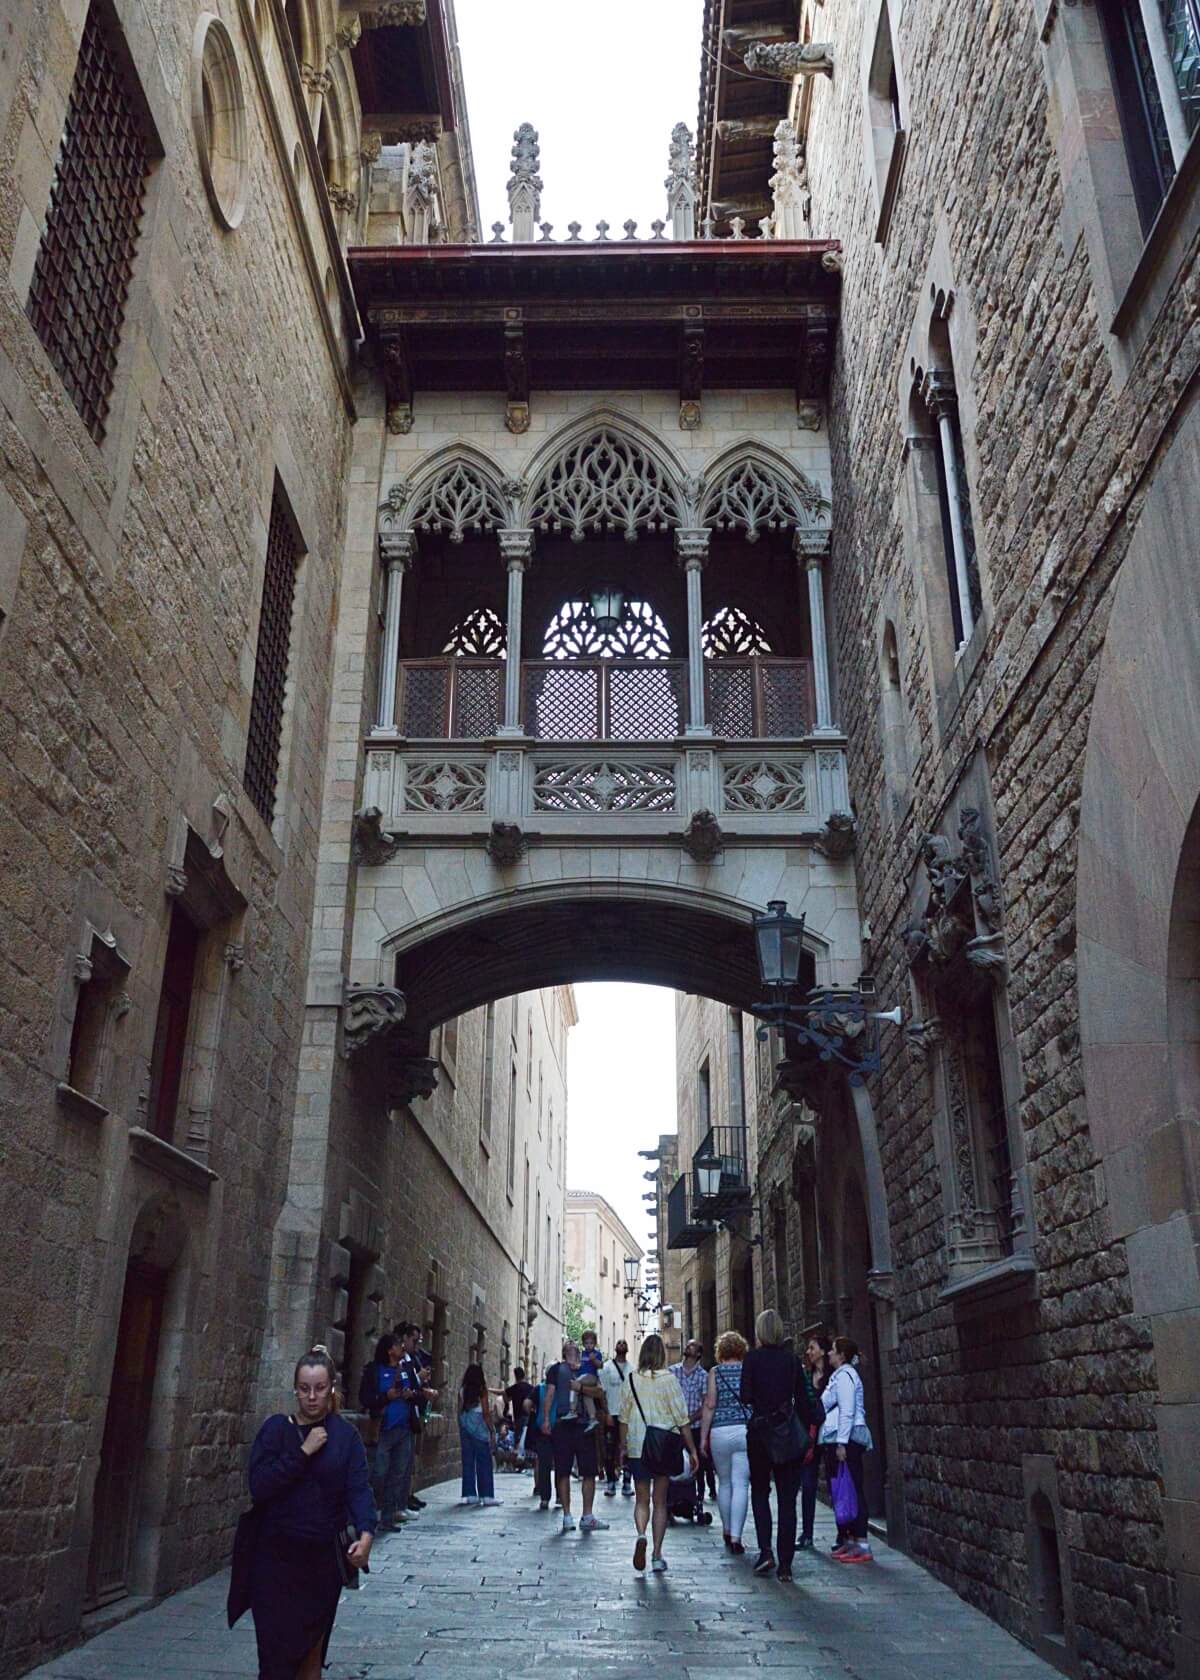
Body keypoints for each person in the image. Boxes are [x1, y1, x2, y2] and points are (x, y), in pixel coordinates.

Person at [247, 1346, 375, 1680]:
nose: (312, 1397)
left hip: (320, 1564)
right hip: (274, 1561)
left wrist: (366, 1535)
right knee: (274, 1657)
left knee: (311, 1656)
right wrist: (302, 1452)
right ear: (295, 1389)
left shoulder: (345, 1437)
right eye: (305, 1389)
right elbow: (260, 1486)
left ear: (331, 1388)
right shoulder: (275, 1431)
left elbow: (358, 1489)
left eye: (319, 1388)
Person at [740, 1308, 822, 1582]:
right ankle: (786, 1564)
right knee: (788, 1500)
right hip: (787, 1435)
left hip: (761, 1434)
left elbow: (746, 1395)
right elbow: (804, 1399)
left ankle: (765, 1552)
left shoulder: (751, 1359)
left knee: (760, 1493)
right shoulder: (792, 1361)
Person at [619, 1333, 698, 1575]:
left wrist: (622, 1446)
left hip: (637, 1445)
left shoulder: (631, 1378)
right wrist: (692, 1450)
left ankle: (641, 1534)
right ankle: (656, 1554)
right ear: (662, 1354)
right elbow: (682, 1417)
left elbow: (623, 1417)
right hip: (663, 1445)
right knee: (660, 1501)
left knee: (641, 1498)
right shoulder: (669, 1380)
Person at [540, 1340, 609, 1534]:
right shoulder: (555, 1369)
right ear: (564, 1352)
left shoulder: (588, 1368)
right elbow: (550, 1394)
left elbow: (599, 1391)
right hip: (563, 1424)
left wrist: (581, 1389)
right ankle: (567, 1515)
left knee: (589, 1472)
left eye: (573, 1344)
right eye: (568, 1344)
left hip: (585, 1424)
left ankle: (587, 1516)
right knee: (563, 1470)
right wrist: (546, 1419)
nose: (571, 1344)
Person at [820, 1335, 873, 1561]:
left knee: (853, 1489)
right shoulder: (840, 1376)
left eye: (832, 1350)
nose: (829, 1353)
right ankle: (850, 1540)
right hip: (839, 1438)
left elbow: (848, 1410)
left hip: (847, 1438)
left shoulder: (846, 1377)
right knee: (844, 1490)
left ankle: (861, 1543)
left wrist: (842, 1442)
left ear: (842, 1355)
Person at [700, 1330, 750, 1553]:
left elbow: (710, 1405)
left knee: (725, 1483)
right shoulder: (748, 1370)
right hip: (744, 1431)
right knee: (741, 1484)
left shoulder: (715, 1372)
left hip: (720, 1431)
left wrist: (703, 1437)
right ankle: (737, 1538)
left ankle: (727, 1530)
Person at [365, 1333, 413, 1530]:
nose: (402, 1347)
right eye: (397, 1345)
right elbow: (366, 1398)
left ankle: (387, 1518)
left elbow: (415, 1393)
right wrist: (386, 1396)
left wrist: (412, 1395)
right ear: (389, 1350)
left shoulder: (405, 1370)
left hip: (403, 1430)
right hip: (384, 1430)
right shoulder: (374, 1371)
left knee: (397, 1475)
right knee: (379, 1474)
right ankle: (368, 1514)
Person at [670, 1337, 715, 1504]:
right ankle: (674, 1497)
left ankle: (700, 1495)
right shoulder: (672, 1371)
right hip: (675, 1426)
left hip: (694, 1426)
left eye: (693, 1345)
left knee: (698, 1463)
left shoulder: (704, 1376)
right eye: (688, 1344)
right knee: (674, 1461)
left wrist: (689, 1419)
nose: (688, 1346)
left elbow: (705, 1403)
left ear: (698, 1353)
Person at [800, 1330, 832, 1549]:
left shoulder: (834, 1376)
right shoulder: (805, 1376)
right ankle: (807, 1533)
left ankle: (845, 1533)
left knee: (836, 1482)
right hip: (810, 1436)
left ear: (823, 1351)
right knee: (808, 1484)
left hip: (830, 1436)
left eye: (812, 1348)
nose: (808, 1352)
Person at [457, 1362, 500, 1507]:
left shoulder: (462, 1390)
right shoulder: (482, 1390)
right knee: (484, 1461)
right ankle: (486, 1494)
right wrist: (492, 1430)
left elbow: (460, 1409)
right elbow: (486, 1413)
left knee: (468, 1461)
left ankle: (470, 1494)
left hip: (465, 1426)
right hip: (479, 1426)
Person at [598, 1339, 632, 1496]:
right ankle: (611, 1481)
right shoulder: (607, 1367)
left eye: (624, 1343)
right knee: (610, 1449)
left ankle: (627, 1482)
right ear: (615, 1347)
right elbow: (602, 1392)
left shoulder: (632, 1369)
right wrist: (606, 1413)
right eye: (619, 1343)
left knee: (628, 1449)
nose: (621, 1345)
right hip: (612, 1413)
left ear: (627, 1349)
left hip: (627, 1415)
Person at [531, 1368, 558, 1510]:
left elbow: (527, 1404)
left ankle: (545, 1498)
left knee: (544, 1464)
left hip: (543, 1429)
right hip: (558, 1429)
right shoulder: (562, 1388)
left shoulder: (539, 1389)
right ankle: (559, 1496)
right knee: (560, 1465)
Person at [505, 1367, 536, 1457]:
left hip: (518, 1416)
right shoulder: (531, 1387)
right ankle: (527, 1458)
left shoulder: (514, 1388)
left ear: (515, 1376)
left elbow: (505, 1394)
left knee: (518, 1437)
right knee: (528, 1437)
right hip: (530, 1416)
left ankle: (519, 1458)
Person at [577, 1329, 603, 1432]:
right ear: (583, 1343)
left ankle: (572, 1409)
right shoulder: (582, 1354)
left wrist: (594, 1360)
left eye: (591, 1343)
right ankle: (592, 1418)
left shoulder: (596, 1354)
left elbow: (600, 1366)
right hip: (583, 1376)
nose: (589, 1345)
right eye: (586, 1343)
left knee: (576, 1385)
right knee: (586, 1395)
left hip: (591, 1377)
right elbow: (580, 1366)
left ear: (595, 1344)